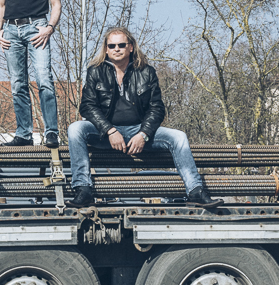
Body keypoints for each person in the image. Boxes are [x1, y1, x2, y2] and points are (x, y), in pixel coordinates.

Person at [67, 26, 220, 209]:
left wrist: (144, 134)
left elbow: (157, 109)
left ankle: (195, 191)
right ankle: (83, 190)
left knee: (179, 137)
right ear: (106, 49)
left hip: (138, 131)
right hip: (105, 133)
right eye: (112, 45)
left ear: (131, 47)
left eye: (121, 45)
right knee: (75, 129)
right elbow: (87, 106)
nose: (117, 49)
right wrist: (109, 130)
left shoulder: (146, 72)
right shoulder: (95, 71)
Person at [0, 0, 62, 148]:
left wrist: (49, 28)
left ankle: (51, 132)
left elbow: (56, 3)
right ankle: (23, 134)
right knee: (17, 84)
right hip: (11, 30)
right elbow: (1, 4)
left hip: (37, 28)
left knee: (44, 80)